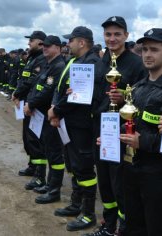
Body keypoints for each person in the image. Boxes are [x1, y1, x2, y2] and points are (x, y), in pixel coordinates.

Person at [114, 28, 162, 236]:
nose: (147, 54)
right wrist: (114, 135)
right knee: (134, 222)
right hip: (131, 167)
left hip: (157, 171)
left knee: (156, 224)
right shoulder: (137, 87)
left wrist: (143, 142)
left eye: (154, 49)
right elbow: (131, 122)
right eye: (144, 49)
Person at [87, 16, 147, 236]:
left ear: (126, 36)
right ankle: (108, 226)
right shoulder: (102, 61)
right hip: (99, 128)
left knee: (121, 183)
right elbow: (94, 94)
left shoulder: (136, 64)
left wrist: (125, 99)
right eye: (108, 34)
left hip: (122, 132)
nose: (112, 39)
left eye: (117, 34)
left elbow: (143, 100)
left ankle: (124, 229)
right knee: (105, 182)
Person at [48, 26, 100, 231]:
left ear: (82, 42)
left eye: (71, 40)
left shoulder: (92, 63)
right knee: (74, 166)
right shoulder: (75, 61)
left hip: (83, 127)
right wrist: (55, 108)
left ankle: (88, 215)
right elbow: (61, 88)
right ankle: (76, 204)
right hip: (69, 124)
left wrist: (57, 110)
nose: (67, 44)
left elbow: (78, 98)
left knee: (84, 169)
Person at [23, 35, 66, 204]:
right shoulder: (48, 65)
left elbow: (48, 91)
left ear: (58, 47)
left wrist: (31, 103)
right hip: (41, 115)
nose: (44, 48)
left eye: (48, 46)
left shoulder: (58, 66)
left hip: (51, 115)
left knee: (55, 154)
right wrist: (30, 103)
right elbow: (37, 86)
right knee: (48, 150)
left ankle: (54, 190)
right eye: (43, 46)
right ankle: (49, 184)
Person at [12, 30, 47, 190]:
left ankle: (39, 175)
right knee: (28, 138)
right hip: (27, 102)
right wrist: (17, 94)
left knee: (34, 140)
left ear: (40, 42)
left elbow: (31, 82)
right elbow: (24, 79)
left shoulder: (41, 60)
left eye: (31, 41)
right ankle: (32, 166)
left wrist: (18, 94)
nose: (28, 44)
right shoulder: (32, 58)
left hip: (35, 106)